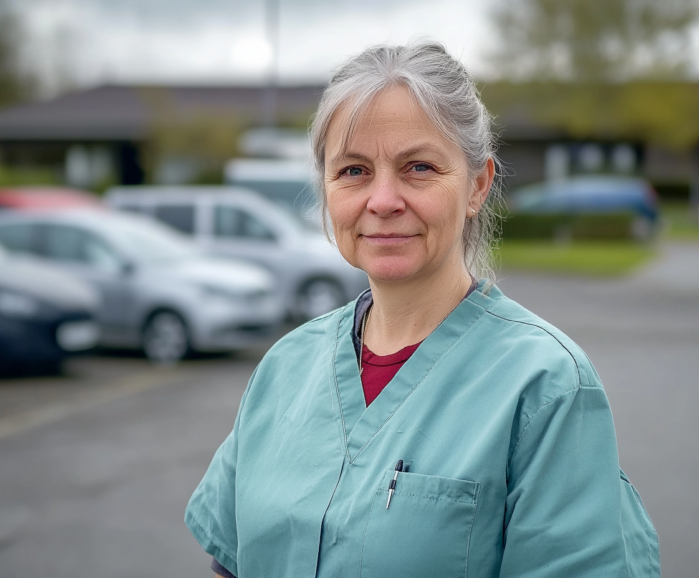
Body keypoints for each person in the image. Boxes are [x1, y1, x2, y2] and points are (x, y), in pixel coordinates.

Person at [185, 41, 660, 578]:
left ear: (478, 184)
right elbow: (230, 562)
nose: (383, 200)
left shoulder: (547, 388)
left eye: (418, 167)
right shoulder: (283, 369)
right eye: (354, 171)